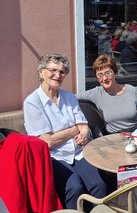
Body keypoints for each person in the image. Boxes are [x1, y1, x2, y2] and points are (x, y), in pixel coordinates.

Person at [23, 54, 108, 209]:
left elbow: (83, 125)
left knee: (99, 184)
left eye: (62, 72)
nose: (58, 75)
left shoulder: (69, 97)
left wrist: (83, 133)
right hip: (54, 157)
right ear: (41, 72)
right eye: (53, 70)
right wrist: (73, 130)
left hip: (78, 151)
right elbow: (47, 143)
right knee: (74, 187)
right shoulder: (32, 103)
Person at [77, 54, 137, 134]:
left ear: (115, 73)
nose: (105, 78)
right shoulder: (96, 93)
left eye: (108, 73)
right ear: (96, 78)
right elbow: (71, 97)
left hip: (136, 135)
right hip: (114, 138)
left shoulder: (131, 90)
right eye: (100, 75)